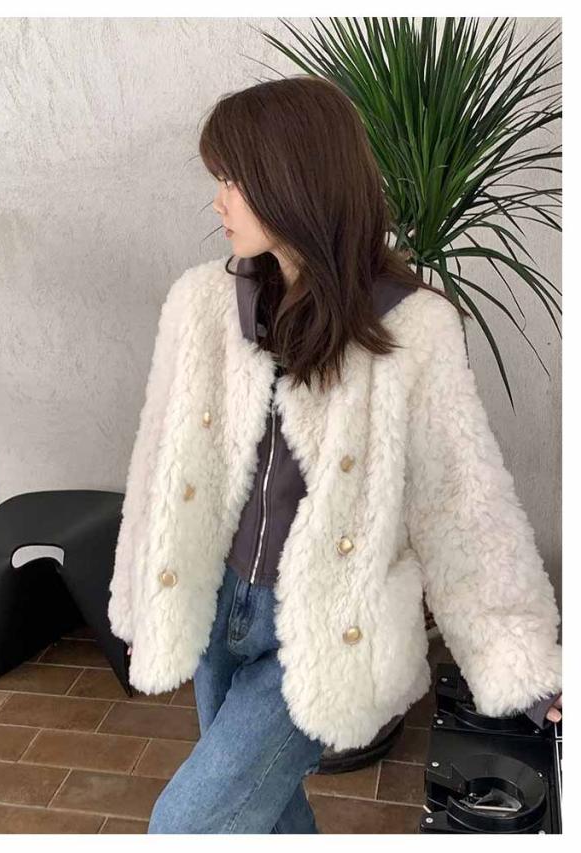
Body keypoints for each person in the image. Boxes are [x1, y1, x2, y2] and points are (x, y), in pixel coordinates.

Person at [108, 76, 562, 834]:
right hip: (215, 603)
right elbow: (159, 462)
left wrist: (525, 666)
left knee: (186, 827)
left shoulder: (411, 330)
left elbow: (459, 502)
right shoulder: (202, 303)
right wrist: (137, 592)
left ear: (292, 182)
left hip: (326, 626)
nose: (217, 202)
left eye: (232, 181)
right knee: (267, 820)